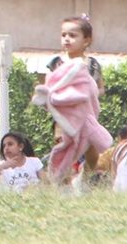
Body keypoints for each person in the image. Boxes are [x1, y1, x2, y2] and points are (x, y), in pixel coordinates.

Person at [33, 16, 113, 186]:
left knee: (91, 150)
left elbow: (100, 88)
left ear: (86, 40)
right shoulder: (57, 63)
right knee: (65, 148)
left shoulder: (91, 64)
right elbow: (50, 87)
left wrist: (87, 94)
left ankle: (87, 180)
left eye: (73, 35)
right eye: (64, 35)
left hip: (87, 115)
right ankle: (63, 183)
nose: (67, 39)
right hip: (64, 118)